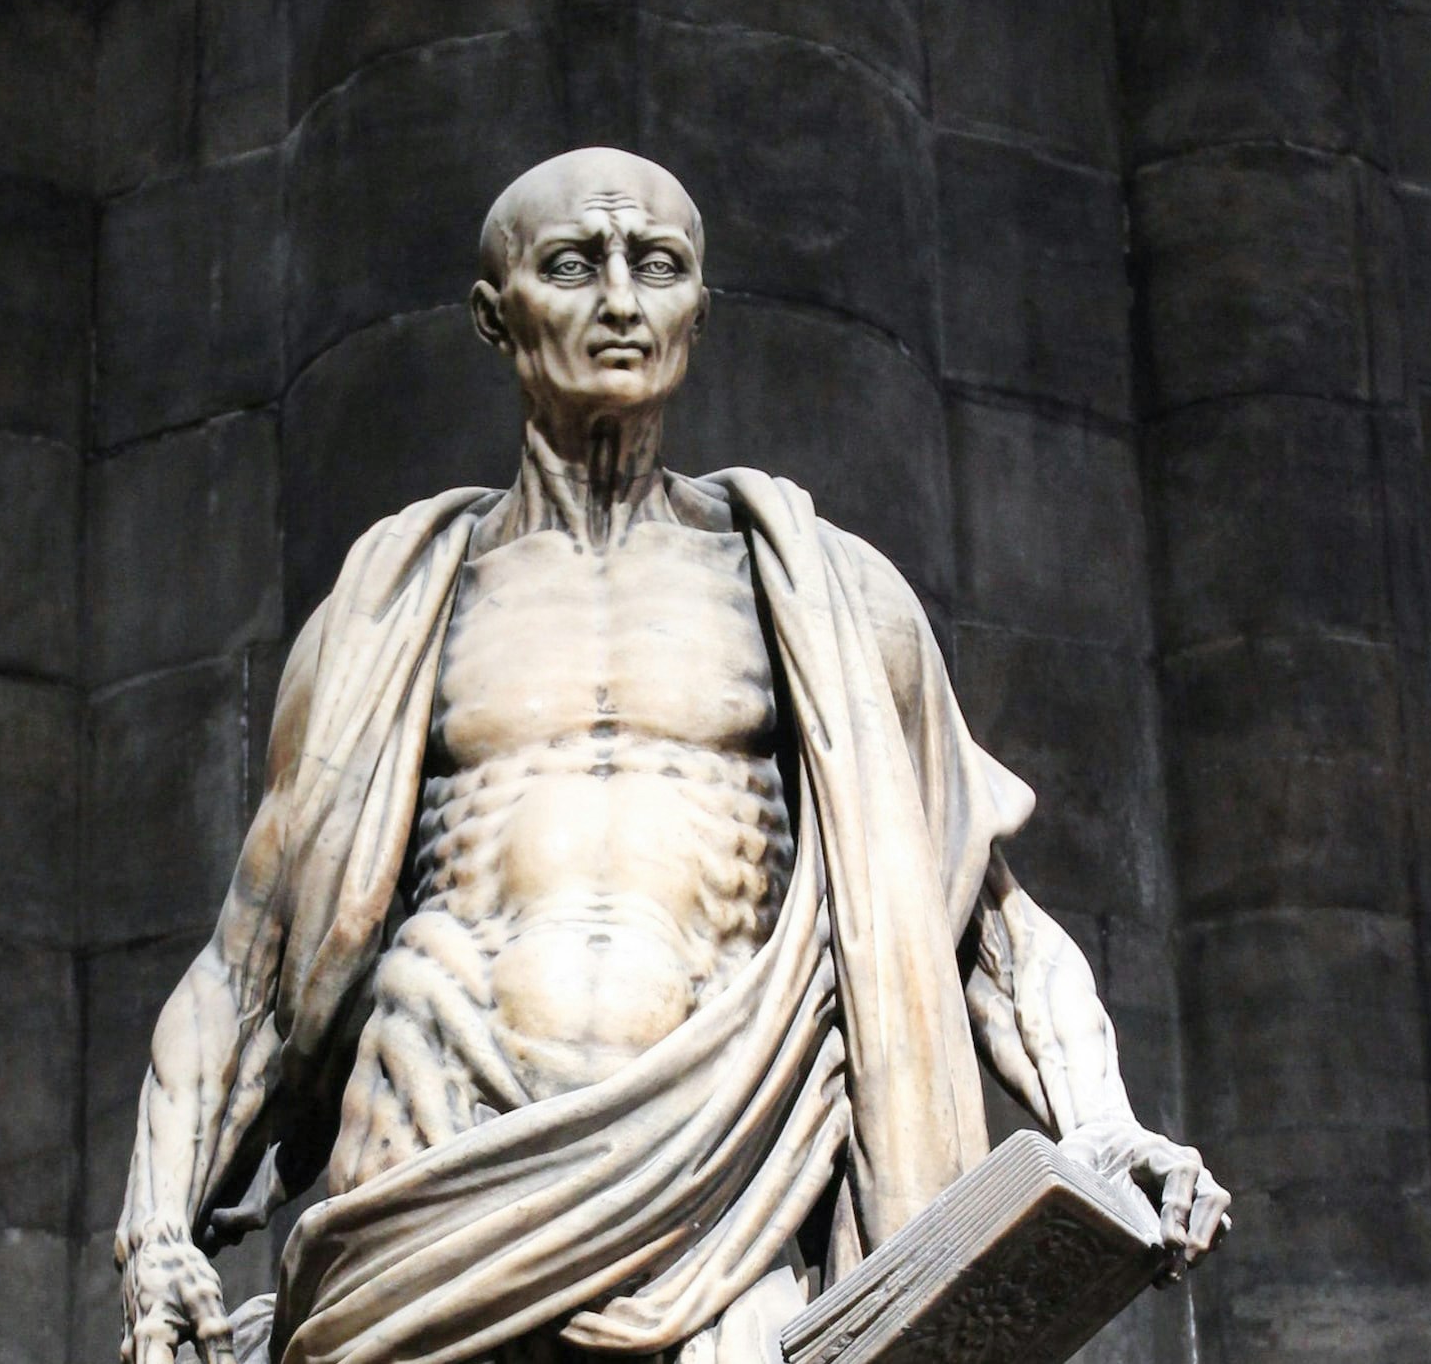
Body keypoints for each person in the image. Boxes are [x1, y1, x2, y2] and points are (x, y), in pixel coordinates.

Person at [115, 149, 1228, 1364]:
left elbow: (981, 924)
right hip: (432, 1169)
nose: (619, 303)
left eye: (656, 266)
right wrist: (156, 1225)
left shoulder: (823, 593)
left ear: (699, 307)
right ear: (497, 316)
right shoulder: (396, 608)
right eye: (573, 266)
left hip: (726, 1193)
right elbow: (250, 968)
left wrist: (1103, 1126)